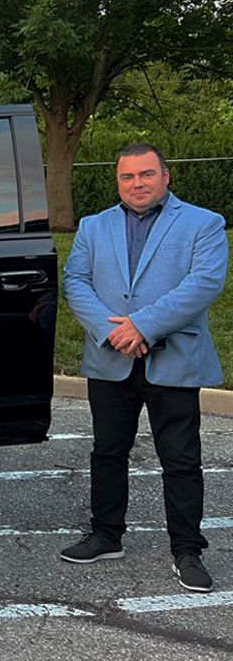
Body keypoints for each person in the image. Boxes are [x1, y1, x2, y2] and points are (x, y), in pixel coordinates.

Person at [60, 143, 228, 592]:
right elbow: (74, 281)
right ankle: (105, 534)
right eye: (127, 176)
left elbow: (204, 283)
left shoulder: (203, 224)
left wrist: (143, 326)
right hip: (110, 358)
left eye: (146, 174)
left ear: (166, 176)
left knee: (180, 459)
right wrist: (112, 331)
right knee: (108, 451)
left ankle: (187, 551)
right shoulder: (94, 226)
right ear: (118, 180)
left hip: (174, 359)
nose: (137, 184)